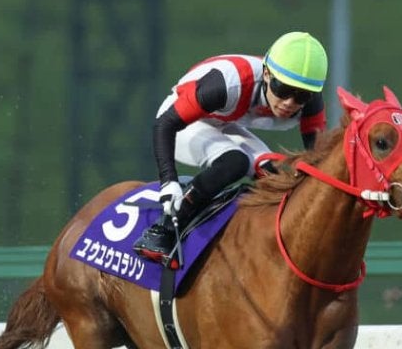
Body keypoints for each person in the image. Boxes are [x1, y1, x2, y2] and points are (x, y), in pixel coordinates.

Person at [133, 31, 329, 266]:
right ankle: (162, 230)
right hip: (181, 122)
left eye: (302, 95)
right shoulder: (227, 84)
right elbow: (165, 124)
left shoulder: (311, 104)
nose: (290, 102)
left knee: (276, 175)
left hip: (224, 120)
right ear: (267, 74)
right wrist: (168, 182)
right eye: (283, 89)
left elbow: (318, 161)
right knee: (235, 162)